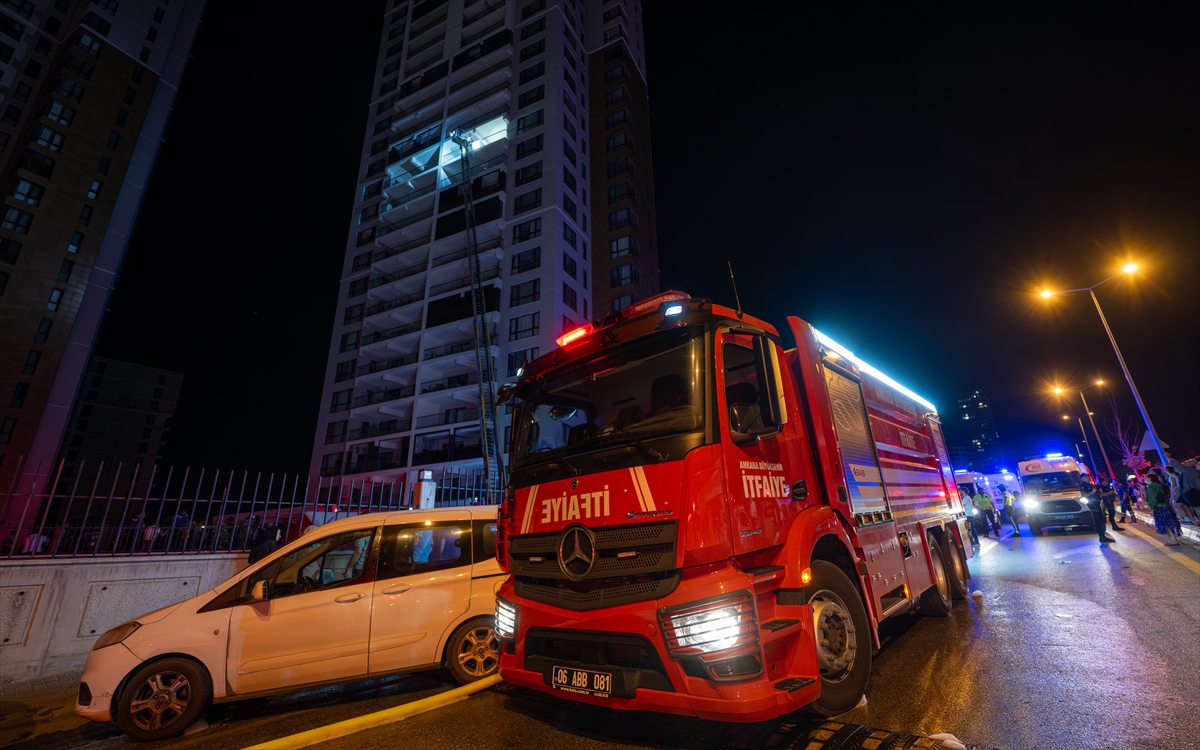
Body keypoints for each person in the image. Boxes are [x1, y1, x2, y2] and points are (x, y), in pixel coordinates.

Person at [1145, 471, 1182, 546]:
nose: (1144, 479)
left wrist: (1151, 507)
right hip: (1167, 506)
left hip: (1159, 508)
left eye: (1146, 477)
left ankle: (1173, 540)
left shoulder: (1152, 487)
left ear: (1150, 479)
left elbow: (1152, 499)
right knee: (1169, 523)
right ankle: (1173, 539)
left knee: (1165, 524)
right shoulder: (1161, 485)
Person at [1079, 479, 1115, 544]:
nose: (1088, 478)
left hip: (1097, 503)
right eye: (1086, 477)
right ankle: (1101, 537)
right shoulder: (1083, 485)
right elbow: (1084, 495)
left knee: (1100, 519)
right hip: (1092, 504)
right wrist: (1093, 492)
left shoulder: (1090, 485)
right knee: (1097, 520)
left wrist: (1107, 493)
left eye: (1088, 476)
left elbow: (1100, 493)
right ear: (1082, 478)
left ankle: (1103, 536)